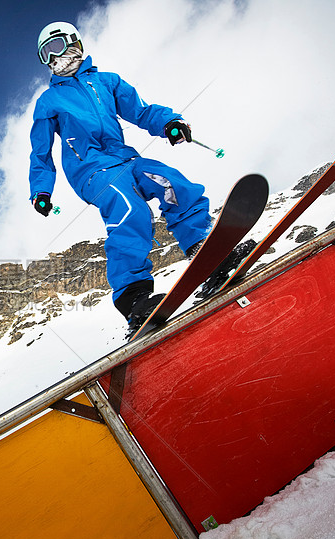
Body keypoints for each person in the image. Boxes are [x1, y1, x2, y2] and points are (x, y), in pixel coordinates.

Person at [29, 21, 212, 333]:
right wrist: (41, 190)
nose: (53, 59)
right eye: (45, 55)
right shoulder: (49, 101)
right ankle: (133, 296)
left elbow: (141, 112)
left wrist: (169, 123)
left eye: (56, 47)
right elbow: (41, 152)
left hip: (125, 158)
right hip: (91, 170)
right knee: (130, 207)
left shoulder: (107, 82)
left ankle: (203, 249)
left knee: (172, 181)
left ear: (75, 43)